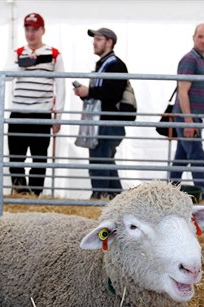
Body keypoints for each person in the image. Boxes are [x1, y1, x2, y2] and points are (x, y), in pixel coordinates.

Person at [4, 13, 65, 196]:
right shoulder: (17, 53)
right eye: (27, 29)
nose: (31, 34)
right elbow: (6, 75)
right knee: (16, 158)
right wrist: (24, 64)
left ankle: (35, 196)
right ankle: (20, 194)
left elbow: (60, 86)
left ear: (42, 30)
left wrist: (58, 116)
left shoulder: (54, 54)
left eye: (35, 29)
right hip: (18, 112)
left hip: (41, 114)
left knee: (39, 159)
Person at [74, 27, 128, 199]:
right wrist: (86, 93)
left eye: (98, 39)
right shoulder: (105, 64)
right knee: (106, 161)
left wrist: (89, 92)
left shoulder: (116, 65)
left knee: (100, 161)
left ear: (109, 42)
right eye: (94, 39)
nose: (94, 42)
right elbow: (104, 93)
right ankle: (117, 198)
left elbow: (113, 95)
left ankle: (99, 197)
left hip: (108, 123)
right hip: (103, 121)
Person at [169, 23, 204, 201]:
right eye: (200, 36)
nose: (203, 40)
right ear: (193, 37)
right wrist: (188, 120)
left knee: (181, 158)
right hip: (188, 117)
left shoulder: (199, 59)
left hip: (191, 118)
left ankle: (168, 193)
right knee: (197, 155)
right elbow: (183, 91)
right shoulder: (190, 59)